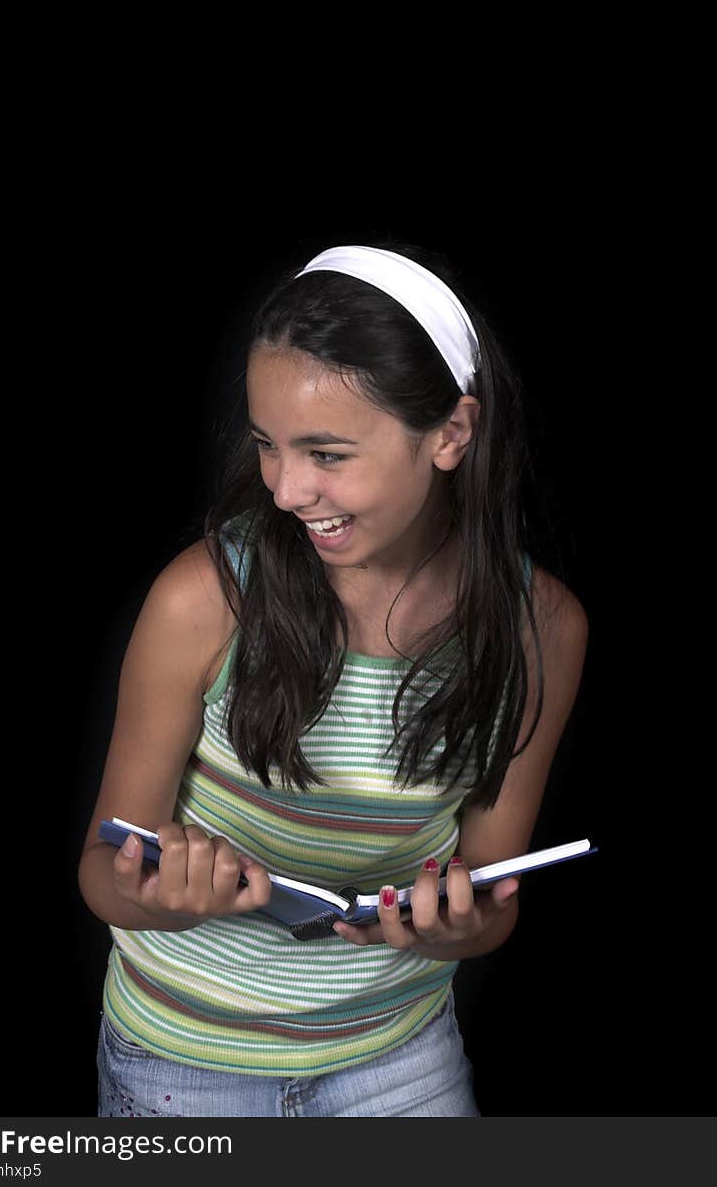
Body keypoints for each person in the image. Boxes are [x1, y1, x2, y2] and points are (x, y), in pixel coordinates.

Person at [77, 239, 589, 1117]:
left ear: (451, 435)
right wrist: (161, 898)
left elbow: (495, 896)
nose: (283, 489)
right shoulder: (204, 599)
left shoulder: (542, 628)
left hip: (399, 1060)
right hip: (183, 1060)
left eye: (326, 454)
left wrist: (459, 927)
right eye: (268, 446)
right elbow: (99, 869)